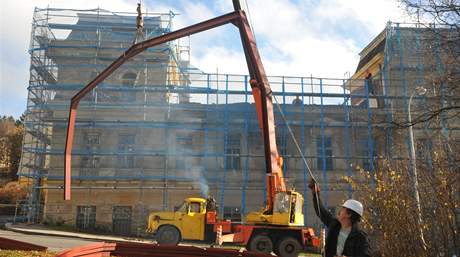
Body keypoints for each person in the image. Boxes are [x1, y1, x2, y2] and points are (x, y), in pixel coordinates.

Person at [308, 179, 371, 257]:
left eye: (343, 209)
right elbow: (321, 212)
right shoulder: (334, 226)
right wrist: (315, 193)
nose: (339, 211)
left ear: (349, 214)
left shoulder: (360, 237)